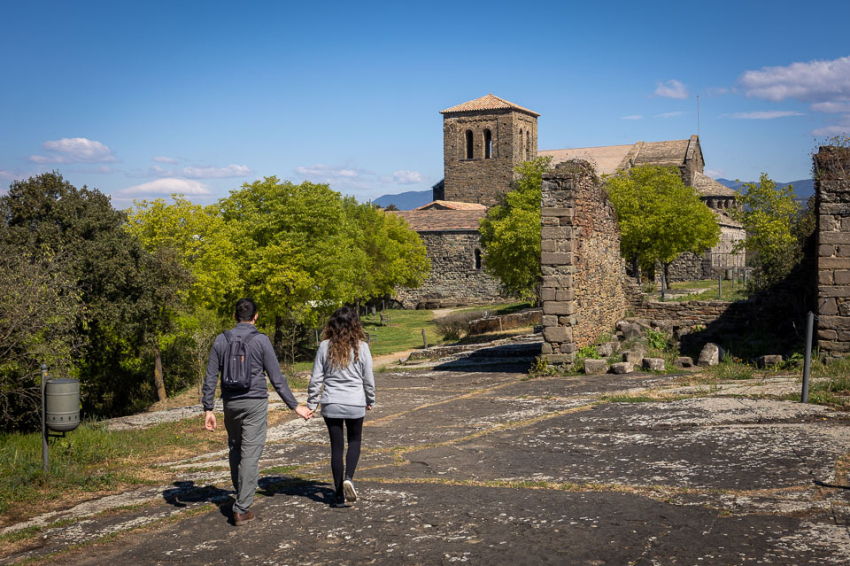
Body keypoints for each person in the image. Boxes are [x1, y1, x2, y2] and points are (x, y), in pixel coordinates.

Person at [203, 298, 313, 526]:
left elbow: (211, 376)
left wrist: (208, 408)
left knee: (235, 447)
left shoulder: (220, 340)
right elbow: (277, 378)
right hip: (255, 403)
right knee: (250, 454)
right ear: (256, 317)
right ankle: (242, 509)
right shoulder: (261, 340)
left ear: (234, 316)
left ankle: (241, 495)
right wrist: (295, 407)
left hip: (230, 403)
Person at [307, 306, 376, 507]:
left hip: (331, 402)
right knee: (354, 441)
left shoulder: (324, 347)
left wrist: (312, 402)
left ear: (332, 325)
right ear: (355, 324)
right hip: (355, 402)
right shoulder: (362, 347)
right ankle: (349, 478)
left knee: (336, 447)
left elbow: (316, 378)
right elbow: (368, 378)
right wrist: (370, 399)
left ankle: (338, 494)